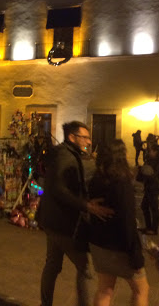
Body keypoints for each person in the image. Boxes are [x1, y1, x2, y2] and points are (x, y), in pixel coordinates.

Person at [36, 121, 114, 306]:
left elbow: (65, 186)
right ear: (72, 137)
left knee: (52, 266)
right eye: (85, 137)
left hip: (51, 221)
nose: (88, 141)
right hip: (63, 224)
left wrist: (85, 200)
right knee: (85, 270)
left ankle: (45, 304)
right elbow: (59, 189)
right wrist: (87, 206)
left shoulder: (65, 153)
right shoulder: (66, 157)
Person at [88, 140, 149, 306]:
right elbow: (127, 221)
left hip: (99, 243)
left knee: (105, 290)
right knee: (141, 289)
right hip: (119, 247)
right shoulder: (121, 183)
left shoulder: (96, 179)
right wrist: (135, 253)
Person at [139, 144, 159, 236]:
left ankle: (154, 229)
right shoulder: (151, 159)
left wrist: (147, 171)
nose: (149, 152)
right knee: (144, 206)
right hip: (149, 185)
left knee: (153, 207)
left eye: (151, 151)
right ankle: (148, 227)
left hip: (155, 186)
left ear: (156, 151)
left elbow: (155, 174)